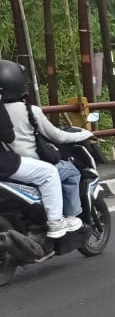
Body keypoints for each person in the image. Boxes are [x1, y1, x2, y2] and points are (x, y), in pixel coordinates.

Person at [0, 60, 88, 225]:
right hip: (22, 165)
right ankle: (67, 218)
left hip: (10, 167)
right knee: (70, 171)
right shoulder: (30, 111)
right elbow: (58, 136)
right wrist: (85, 134)